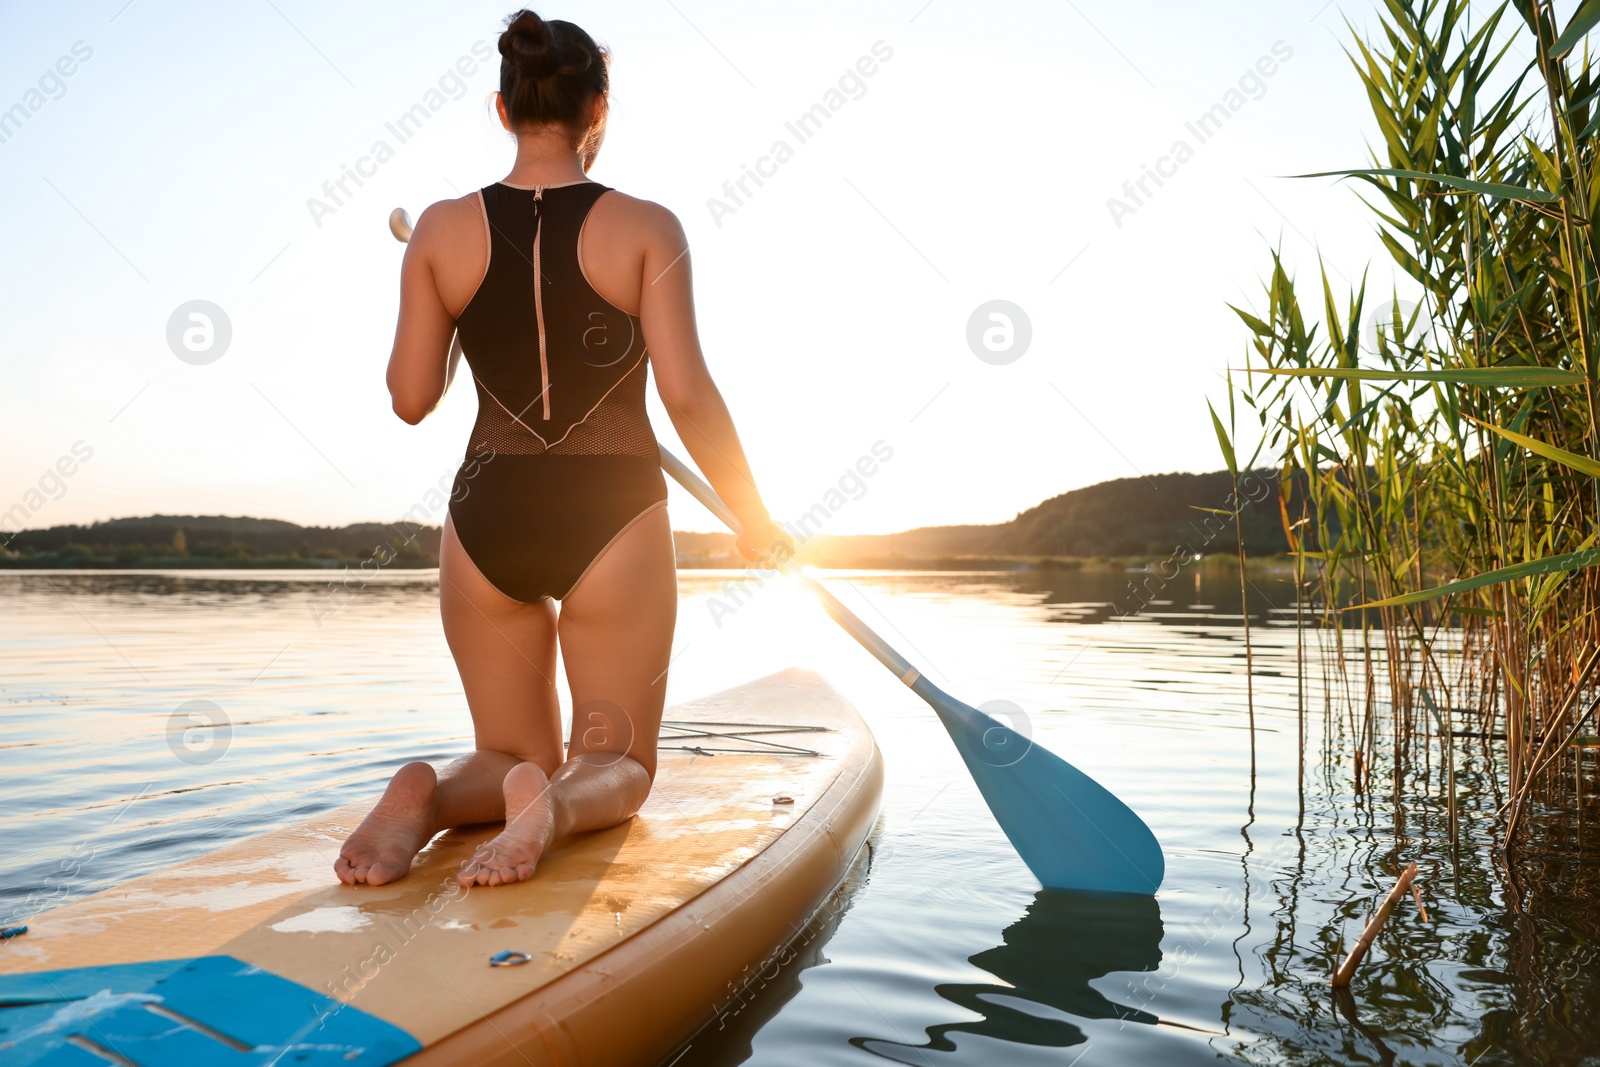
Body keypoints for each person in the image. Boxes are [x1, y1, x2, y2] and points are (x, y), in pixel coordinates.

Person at [335, 8, 791, 888]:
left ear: (502, 111)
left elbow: (410, 399)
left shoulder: (437, 230)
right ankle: (555, 805)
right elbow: (687, 393)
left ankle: (428, 793)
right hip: (609, 510)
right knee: (617, 760)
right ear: (600, 111)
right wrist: (753, 517)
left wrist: (463, 311)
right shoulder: (649, 226)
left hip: (486, 512)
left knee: (508, 749)